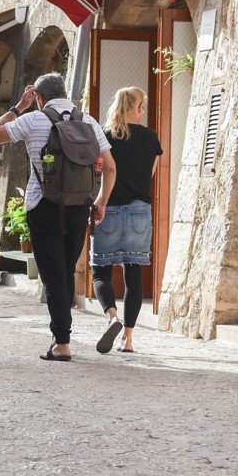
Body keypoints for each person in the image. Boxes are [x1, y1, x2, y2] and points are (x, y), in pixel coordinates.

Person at [0, 72, 116, 361]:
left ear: (39, 98)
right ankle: (61, 335)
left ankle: (62, 343)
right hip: (79, 206)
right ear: (65, 93)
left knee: (53, 274)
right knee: (66, 270)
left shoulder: (33, 119)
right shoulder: (88, 121)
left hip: (43, 204)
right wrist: (101, 202)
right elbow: (110, 167)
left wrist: (19, 107)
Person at [91, 87, 160, 354]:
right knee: (134, 275)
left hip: (109, 208)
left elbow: (101, 172)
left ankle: (112, 317)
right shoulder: (150, 137)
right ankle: (128, 340)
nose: (143, 110)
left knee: (101, 271)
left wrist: (100, 201)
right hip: (139, 210)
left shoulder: (105, 136)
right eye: (142, 106)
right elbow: (149, 175)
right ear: (136, 108)